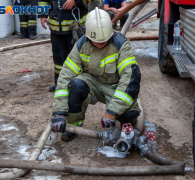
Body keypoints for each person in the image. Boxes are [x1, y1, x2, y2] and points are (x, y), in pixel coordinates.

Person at [51, 7, 141, 141]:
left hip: (115, 87)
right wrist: (59, 111)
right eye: (96, 41)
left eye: (104, 40)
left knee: (129, 114)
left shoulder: (121, 45)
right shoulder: (81, 45)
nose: (100, 43)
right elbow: (65, 75)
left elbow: (130, 79)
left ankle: (127, 125)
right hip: (92, 84)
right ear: (87, 34)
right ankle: (73, 126)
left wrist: (112, 111)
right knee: (75, 85)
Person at [38, 0, 89, 92]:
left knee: (77, 58)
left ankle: (79, 84)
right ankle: (60, 84)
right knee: (58, 58)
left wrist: (75, 1)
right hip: (56, 26)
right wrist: (43, 15)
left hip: (75, 27)